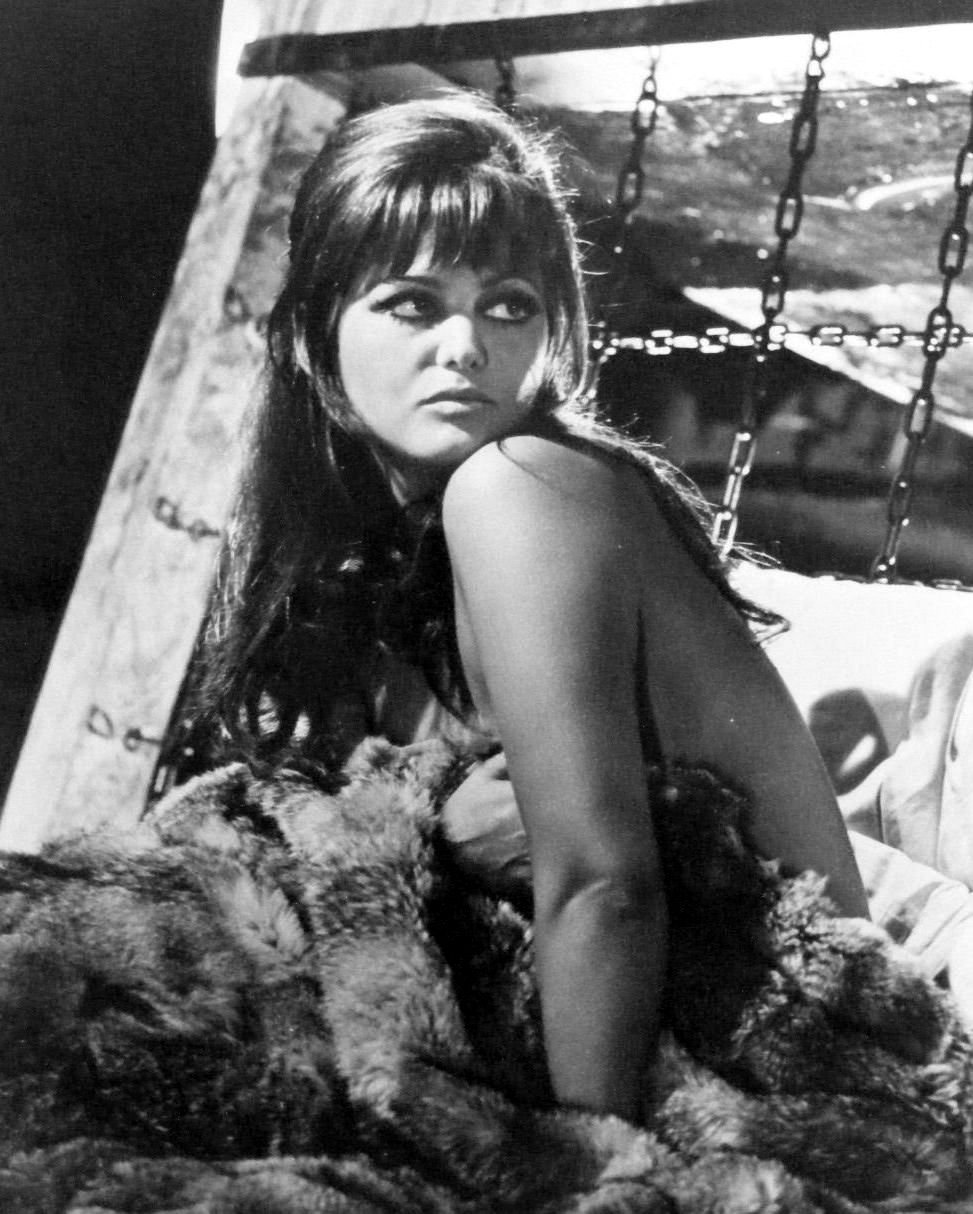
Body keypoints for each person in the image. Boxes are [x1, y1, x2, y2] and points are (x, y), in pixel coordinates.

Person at [192, 90, 868, 1124]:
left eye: (509, 305)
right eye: (412, 304)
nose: (465, 346)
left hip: (790, 1064)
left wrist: (587, 1171)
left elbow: (606, 888)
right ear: (320, 348)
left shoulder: (515, 486)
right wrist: (433, 833)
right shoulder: (379, 564)